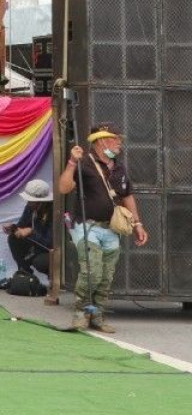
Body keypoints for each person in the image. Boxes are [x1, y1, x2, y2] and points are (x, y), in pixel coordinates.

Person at [58, 126, 150, 333]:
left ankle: (97, 315)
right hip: (87, 226)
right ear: (101, 141)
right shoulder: (83, 162)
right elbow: (64, 188)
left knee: (106, 276)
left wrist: (138, 224)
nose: (120, 143)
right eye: (115, 139)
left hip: (112, 229)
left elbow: (127, 196)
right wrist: (72, 162)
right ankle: (81, 313)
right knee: (92, 271)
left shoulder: (119, 167)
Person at [1, 179, 55, 285]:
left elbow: (50, 242)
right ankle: (24, 272)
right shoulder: (30, 206)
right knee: (13, 238)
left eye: (31, 201)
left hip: (51, 249)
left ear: (41, 201)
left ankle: (54, 278)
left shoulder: (53, 211)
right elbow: (22, 226)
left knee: (39, 262)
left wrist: (32, 231)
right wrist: (13, 228)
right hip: (37, 245)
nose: (28, 203)